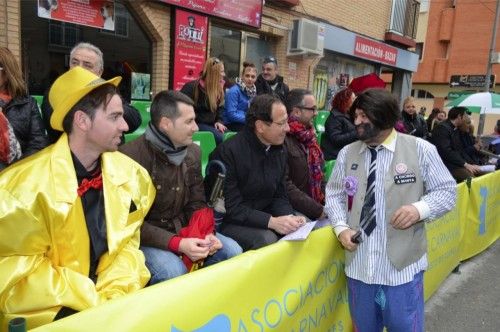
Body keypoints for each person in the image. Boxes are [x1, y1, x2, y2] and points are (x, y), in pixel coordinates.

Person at [0, 66, 156, 329]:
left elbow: (127, 246)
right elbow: (17, 273)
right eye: (115, 116)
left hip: (114, 299)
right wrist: (91, 301)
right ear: (82, 121)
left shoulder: (131, 176)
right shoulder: (21, 189)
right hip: (54, 310)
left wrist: (114, 295)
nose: (126, 125)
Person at [326, 88, 456, 332]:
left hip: (402, 271)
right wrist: (341, 227)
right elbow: (334, 195)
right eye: (356, 115)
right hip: (360, 268)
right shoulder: (347, 153)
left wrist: (419, 209)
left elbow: (447, 191)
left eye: (364, 116)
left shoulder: (420, 150)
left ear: (384, 117)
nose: (357, 122)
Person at [120, 90, 242, 284]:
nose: (196, 128)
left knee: (233, 251)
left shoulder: (193, 152)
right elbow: (127, 223)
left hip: (183, 232)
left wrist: (206, 234)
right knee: (172, 271)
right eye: (189, 122)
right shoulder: (129, 157)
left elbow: (197, 204)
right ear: (166, 124)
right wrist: (178, 243)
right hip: (144, 240)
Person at [209, 94, 306, 251]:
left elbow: (280, 195)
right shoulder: (228, 152)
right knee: (267, 239)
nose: (287, 128)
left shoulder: (279, 149)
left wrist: (289, 218)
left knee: (303, 229)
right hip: (231, 222)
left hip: (265, 216)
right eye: (281, 123)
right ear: (260, 126)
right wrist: (272, 222)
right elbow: (232, 208)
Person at [41, 42, 141, 144]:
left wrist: (105, 100)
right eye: (75, 63)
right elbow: (56, 127)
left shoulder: (107, 90)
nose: (79, 68)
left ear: (99, 72)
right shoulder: (55, 90)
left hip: (109, 156)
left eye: (87, 65)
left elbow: (134, 120)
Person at [284, 88, 325, 220]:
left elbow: (321, 175)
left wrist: (327, 204)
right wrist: (316, 210)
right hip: (291, 208)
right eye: (312, 109)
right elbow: (285, 185)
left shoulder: (311, 137)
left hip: (314, 205)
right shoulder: (282, 138)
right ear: (296, 111)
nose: (316, 113)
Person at [0, 47, 48, 160]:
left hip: (16, 173)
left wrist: (15, 170)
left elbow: (38, 144)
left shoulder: (27, 104)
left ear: (7, 74)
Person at [180, 57, 227, 144]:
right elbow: (182, 110)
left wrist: (219, 121)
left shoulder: (219, 88)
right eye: (221, 71)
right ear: (214, 73)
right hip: (195, 123)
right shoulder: (191, 87)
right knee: (219, 137)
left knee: (230, 136)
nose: (224, 74)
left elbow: (220, 108)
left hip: (211, 124)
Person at [430, 106, 482, 182]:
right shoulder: (442, 128)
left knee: (482, 174)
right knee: (472, 180)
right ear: (459, 117)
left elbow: (460, 151)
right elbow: (446, 152)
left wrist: (470, 164)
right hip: (445, 166)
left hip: (456, 164)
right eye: (465, 116)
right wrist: (465, 164)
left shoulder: (456, 129)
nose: (466, 118)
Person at [321, 87, 357, 160]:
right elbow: (336, 139)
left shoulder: (349, 115)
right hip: (335, 154)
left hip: (346, 152)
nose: (355, 101)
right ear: (345, 100)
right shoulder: (335, 117)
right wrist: (356, 133)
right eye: (353, 99)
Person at [223, 61, 257, 132]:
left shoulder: (253, 93)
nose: (250, 79)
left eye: (253, 77)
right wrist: (249, 118)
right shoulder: (234, 91)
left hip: (244, 122)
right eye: (247, 76)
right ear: (242, 76)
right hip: (230, 123)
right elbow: (231, 114)